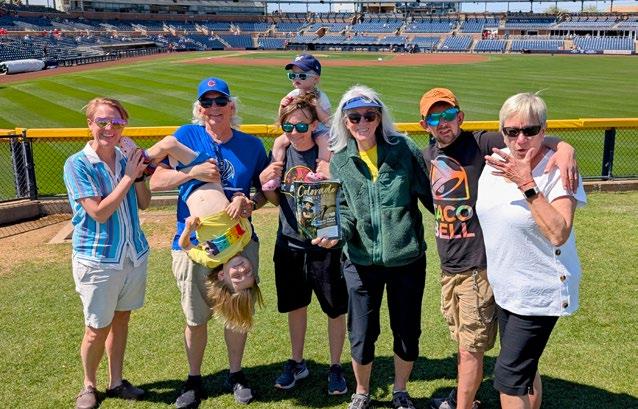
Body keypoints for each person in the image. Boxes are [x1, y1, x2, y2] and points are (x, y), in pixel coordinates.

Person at [419, 88, 578, 409]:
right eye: (434, 118)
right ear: (424, 125)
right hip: (491, 277)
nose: (520, 139)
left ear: (460, 117)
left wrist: (565, 148)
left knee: (499, 371)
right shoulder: (435, 156)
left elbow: (558, 231)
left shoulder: (483, 145)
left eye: (448, 115)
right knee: (520, 364)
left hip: (499, 274)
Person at [149, 77, 269, 408]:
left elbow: (264, 192)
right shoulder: (187, 135)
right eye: (207, 102)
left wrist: (249, 202)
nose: (214, 108)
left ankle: (236, 374)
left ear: (231, 106)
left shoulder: (251, 145)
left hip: (239, 241)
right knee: (195, 315)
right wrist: (192, 173)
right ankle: (194, 379)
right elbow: (156, 181)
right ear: (200, 108)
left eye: (220, 102)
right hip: (194, 243)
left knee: (237, 310)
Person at [314, 85, 434, 409]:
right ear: (345, 121)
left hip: (406, 259)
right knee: (362, 333)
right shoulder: (340, 160)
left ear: (379, 117)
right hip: (360, 261)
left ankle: (400, 391)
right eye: (355, 117)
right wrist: (337, 234)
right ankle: (362, 391)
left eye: (369, 115)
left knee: (406, 330)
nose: (362, 122)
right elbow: (346, 211)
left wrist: (459, 222)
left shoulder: (404, 149)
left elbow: (431, 196)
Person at [476, 93, 585, 409]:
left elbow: (559, 233)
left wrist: (527, 183)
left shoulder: (558, 171)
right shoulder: (496, 162)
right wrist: (557, 144)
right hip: (507, 289)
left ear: (543, 130)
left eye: (531, 130)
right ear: (502, 132)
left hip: (540, 290)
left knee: (508, 380)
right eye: (512, 131)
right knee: (525, 370)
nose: (521, 139)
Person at [120, 135, 263, 333]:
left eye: (237, 276)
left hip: (190, 188)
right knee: (170, 144)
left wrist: (188, 229)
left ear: (222, 276)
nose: (242, 269)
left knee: (170, 146)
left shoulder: (211, 259)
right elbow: (242, 205)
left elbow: (186, 246)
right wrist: (239, 199)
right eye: (248, 273)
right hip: (209, 177)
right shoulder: (244, 237)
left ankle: (139, 161)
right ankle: (143, 163)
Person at [63, 97, 150, 409]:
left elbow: (144, 202)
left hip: (132, 253)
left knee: (122, 319)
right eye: (102, 121)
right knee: (96, 328)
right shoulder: (77, 164)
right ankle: (89, 385)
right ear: (90, 125)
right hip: (98, 258)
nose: (109, 128)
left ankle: (116, 381)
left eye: (116, 122)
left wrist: (139, 174)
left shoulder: (127, 158)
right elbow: (99, 212)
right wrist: (128, 176)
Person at [260, 94, 349, 395]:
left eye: (301, 126)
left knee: (335, 309)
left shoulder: (329, 152)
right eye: (288, 126)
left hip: (325, 243)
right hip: (290, 242)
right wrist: (265, 181)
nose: (295, 132)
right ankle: (297, 362)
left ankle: (335, 366)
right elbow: (274, 199)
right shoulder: (281, 153)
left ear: (312, 125)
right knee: (296, 306)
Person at [262, 54, 332, 191]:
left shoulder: (321, 96)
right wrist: (281, 106)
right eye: (292, 75)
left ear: (316, 79)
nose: (296, 78)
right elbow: (282, 118)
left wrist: (317, 106)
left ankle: (320, 172)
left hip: (318, 129)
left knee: (324, 139)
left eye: (302, 75)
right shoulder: (293, 94)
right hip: (297, 128)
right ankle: (275, 177)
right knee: (279, 141)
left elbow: (327, 121)